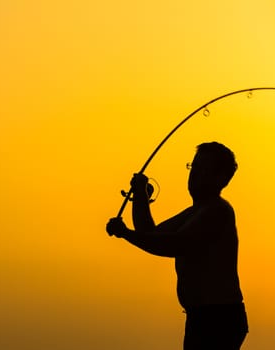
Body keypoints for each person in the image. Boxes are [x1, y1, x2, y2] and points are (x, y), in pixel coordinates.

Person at [106, 142, 248, 350]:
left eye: (203, 169)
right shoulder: (196, 211)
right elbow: (150, 233)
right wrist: (140, 195)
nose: (195, 174)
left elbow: (174, 245)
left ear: (221, 178)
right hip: (202, 317)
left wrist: (126, 234)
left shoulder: (218, 211)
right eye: (194, 167)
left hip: (218, 319)